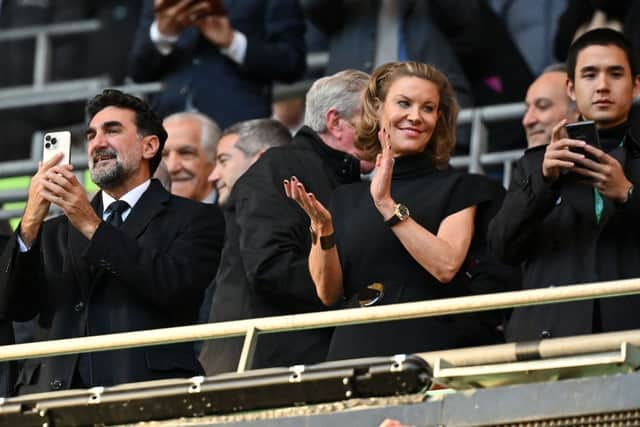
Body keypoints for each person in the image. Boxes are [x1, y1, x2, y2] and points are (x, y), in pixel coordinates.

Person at [0, 89, 224, 394]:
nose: (98, 143)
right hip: (54, 398)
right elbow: (14, 307)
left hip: (146, 393)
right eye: (91, 135)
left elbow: (174, 287)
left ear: (149, 145)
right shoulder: (52, 231)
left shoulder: (195, 217)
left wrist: (91, 225)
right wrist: (29, 223)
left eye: (112, 131)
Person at [286, 62, 505, 360]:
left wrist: (387, 205)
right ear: (377, 111)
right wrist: (322, 229)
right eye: (404, 103)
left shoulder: (461, 187)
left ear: (438, 119)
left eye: (428, 108)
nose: (415, 116)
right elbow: (328, 293)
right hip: (351, 350)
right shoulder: (344, 198)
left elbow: (445, 265)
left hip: (427, 347)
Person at [204, 70, 370, 374]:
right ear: (335, 122)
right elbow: (270, 267)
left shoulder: (350, 180)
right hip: (265, 368)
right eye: (371, 115)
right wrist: (353, 292)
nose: (382, 127)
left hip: (304, 359)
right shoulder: (281, 166)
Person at [488, 29, 640, 341]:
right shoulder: (535, 163)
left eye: (615, 73)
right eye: (589, 74)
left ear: (636, 85)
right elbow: (502, 249)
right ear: (570, 88)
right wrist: (545, 181)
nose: (602, 86)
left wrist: (628, 193)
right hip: (549, 335)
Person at [197, 118, 291, 374]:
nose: (214, 175)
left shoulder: (254, 219)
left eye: (224, 160)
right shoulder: (228, 220)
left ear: (261, 160)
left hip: (249, 375)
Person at [128, 0, 306, 129]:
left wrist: (232, 42)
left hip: (239, 127)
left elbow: (292, 63)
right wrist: (163, 35)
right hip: (171, 125)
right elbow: (138, 71)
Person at [162, 112, 221, 202]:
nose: (171, 168)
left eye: (185, 153)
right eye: (163, 155)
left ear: (214, 160)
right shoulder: (140, 212)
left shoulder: (238, 213)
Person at [523, 64, 580, 148]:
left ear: (578, 110)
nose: (527, 121)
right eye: (526, 110)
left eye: (542, 106)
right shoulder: (525, 160)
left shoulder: (603, 159)